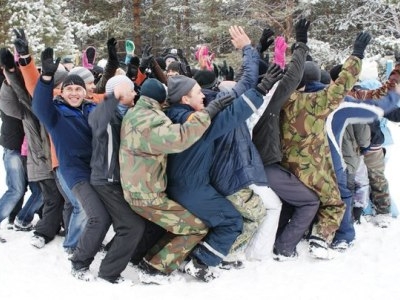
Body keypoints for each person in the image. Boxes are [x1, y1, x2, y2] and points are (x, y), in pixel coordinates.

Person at [165, 53, 281, 270]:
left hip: (187, 184)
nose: (204, 97)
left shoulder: (175, 114)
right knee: (232, 221)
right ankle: (201, 263)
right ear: (185, 99)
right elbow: (233, 116)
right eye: (198, 93)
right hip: (192, 188)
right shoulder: (197, 124)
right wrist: (261, 90)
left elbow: (232, 99)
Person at [120, 77, 230, 283]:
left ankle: (151, 260)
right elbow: (179, 139)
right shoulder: (150, 121)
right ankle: (154, 269)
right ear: (161, 100)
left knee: (178, 225)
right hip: (147, 195)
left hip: (139, 189)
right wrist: (207, 112)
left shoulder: (137, 112)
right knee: (195, 227)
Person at [276, 31, 371, 259]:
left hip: (287, 165)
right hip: (314, 167)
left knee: (294, 201)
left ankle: (288, 235)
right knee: (334, 203)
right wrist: (357, 54)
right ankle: (320, 238)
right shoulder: (318, 101)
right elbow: (343, 84)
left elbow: (275, 75)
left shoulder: (282, 99)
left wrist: (299, 45)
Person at [32, 48, 112, 281]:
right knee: (97, 215)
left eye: (78, 88)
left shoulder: (92, 109)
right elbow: (38, 105)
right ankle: (78, 262)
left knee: (108, 213)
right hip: (75, 173)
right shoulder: (55, 114)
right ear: (63, 92)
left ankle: (89, 245)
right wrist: (46, 78)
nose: (74, 93)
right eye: (70, 89)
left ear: (85, 91)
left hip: (98, 170)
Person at [251, 18, 319, 261]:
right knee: (310, 201)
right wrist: (301, 43)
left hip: (251, 165)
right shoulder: (267, 102)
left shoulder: (245, 96)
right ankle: (284, 247)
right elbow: (293, 76)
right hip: (262, 168)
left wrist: (258, 50)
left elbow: (249, 73)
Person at [0, 46, 64, 248]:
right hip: (23, 150)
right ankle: (26, 222)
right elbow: (18, 91)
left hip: (35, 152)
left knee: (37, 192)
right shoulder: (28, 104)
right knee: (18, 190)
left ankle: (23, 219)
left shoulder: (53, 102)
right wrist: (11, 70)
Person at [88, 75, 147, 284]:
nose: (135, 94)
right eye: (130, 90)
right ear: (120, 93)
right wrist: (112, 97)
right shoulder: (106, 114)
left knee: (140, 222)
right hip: (106, 180)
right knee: (131, 227)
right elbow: (96, 121)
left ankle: (114, 254)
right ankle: (108, 273)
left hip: (121, 180)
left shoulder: (132, 113)